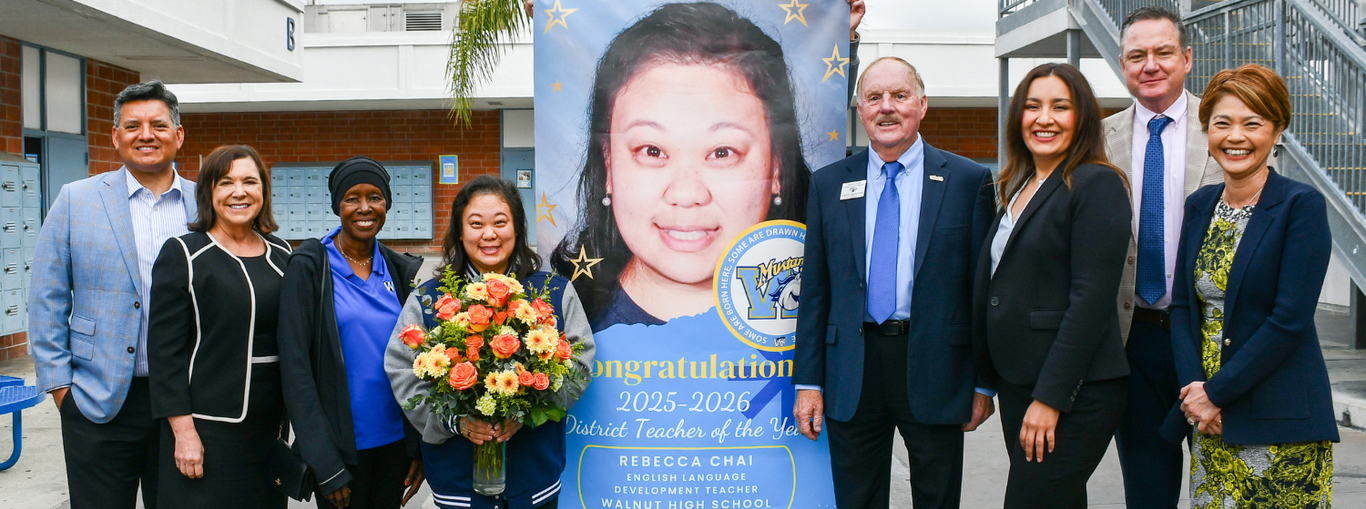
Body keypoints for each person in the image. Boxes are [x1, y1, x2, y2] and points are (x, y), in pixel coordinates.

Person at [792, 56, 997, 509]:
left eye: (899, 96)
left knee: (937, 498)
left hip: (936, 366)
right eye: (874, 97)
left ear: (922, 105)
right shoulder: (828, 184)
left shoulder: (968, 181)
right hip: (852, 368)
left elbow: (981, 293)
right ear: (860, 110)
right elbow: (816, 290)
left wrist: (983, 383)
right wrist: (808, 380)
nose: (887, 107)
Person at [548, 2, 813, 330]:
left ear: (776, 167)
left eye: (722, 152)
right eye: (653, 150)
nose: (687, 194)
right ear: (608, 165)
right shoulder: (560, 326)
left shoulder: (814, 317)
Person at [1164, 63, 1337, 507]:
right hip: (1208, 419)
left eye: (1252, 123)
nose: (1235, 136)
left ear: (1277, 130)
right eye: (1222, 123)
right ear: (1207, 131)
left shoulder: (1301, 205)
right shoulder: (1200, 205)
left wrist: (1215, 394)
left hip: (1277, 420)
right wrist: (1194, 394)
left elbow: (1289, 320)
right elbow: (1184, 307)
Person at [29, 80, 195, 509]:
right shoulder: (75, 200)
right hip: (97, 400)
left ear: (178, 135)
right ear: (115, 136)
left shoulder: (206, 202)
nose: (146, 135)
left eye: (158, 125)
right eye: (133, 125)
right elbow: (47, 299)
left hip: (188, 400)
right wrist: (62, 392)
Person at [972, 63, 1132, 509]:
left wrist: (1050, 398)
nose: (1044, 118)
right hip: (1020, 383)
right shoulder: (1019, 184)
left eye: (1060, 106)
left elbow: (1091, 301)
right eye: (1032, 106)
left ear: (1081, 117)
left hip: (1073, 391)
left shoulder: (1097, 183)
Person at [386, 175, 595, 509]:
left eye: (500, 222)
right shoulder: (428, 299)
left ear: (517, 227)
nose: (489, 234)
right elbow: (400, 368)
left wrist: (527, 409)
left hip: (533, 476)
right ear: (459, 231)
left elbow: (580, 361)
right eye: (475, 223)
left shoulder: (553, 293)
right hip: (457, 481)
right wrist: (454, 421)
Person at [1101, 8, 1224, 507]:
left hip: (1210, 338)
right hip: (1132, 340)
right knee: (1147, 490)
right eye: (1137, 55)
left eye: (1163, 52)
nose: (1150, 65)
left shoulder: (1222, 129)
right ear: (1123, 63)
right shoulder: (1098, 138)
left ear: (1187, 58)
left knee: (1222, 484)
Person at [146, 145, 291, 508]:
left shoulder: (283, 255)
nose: (239, 191)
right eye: (225, 182)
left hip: (269, 428)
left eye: (249, 181)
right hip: (208, 428)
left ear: (263, 191)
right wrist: (184, 432)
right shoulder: (184, 254)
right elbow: (165, 354)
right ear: (208, 192)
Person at [278, 156, 426, 509]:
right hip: (341, 452)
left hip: (394, 448)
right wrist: (324, 463)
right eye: (352, 198)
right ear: (337, 206)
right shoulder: (311, 267)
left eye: (374, 197)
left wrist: (417, 447)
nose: (364, 208)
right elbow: (296, 372)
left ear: (386, 204)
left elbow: (419, 363)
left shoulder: (397, 268)